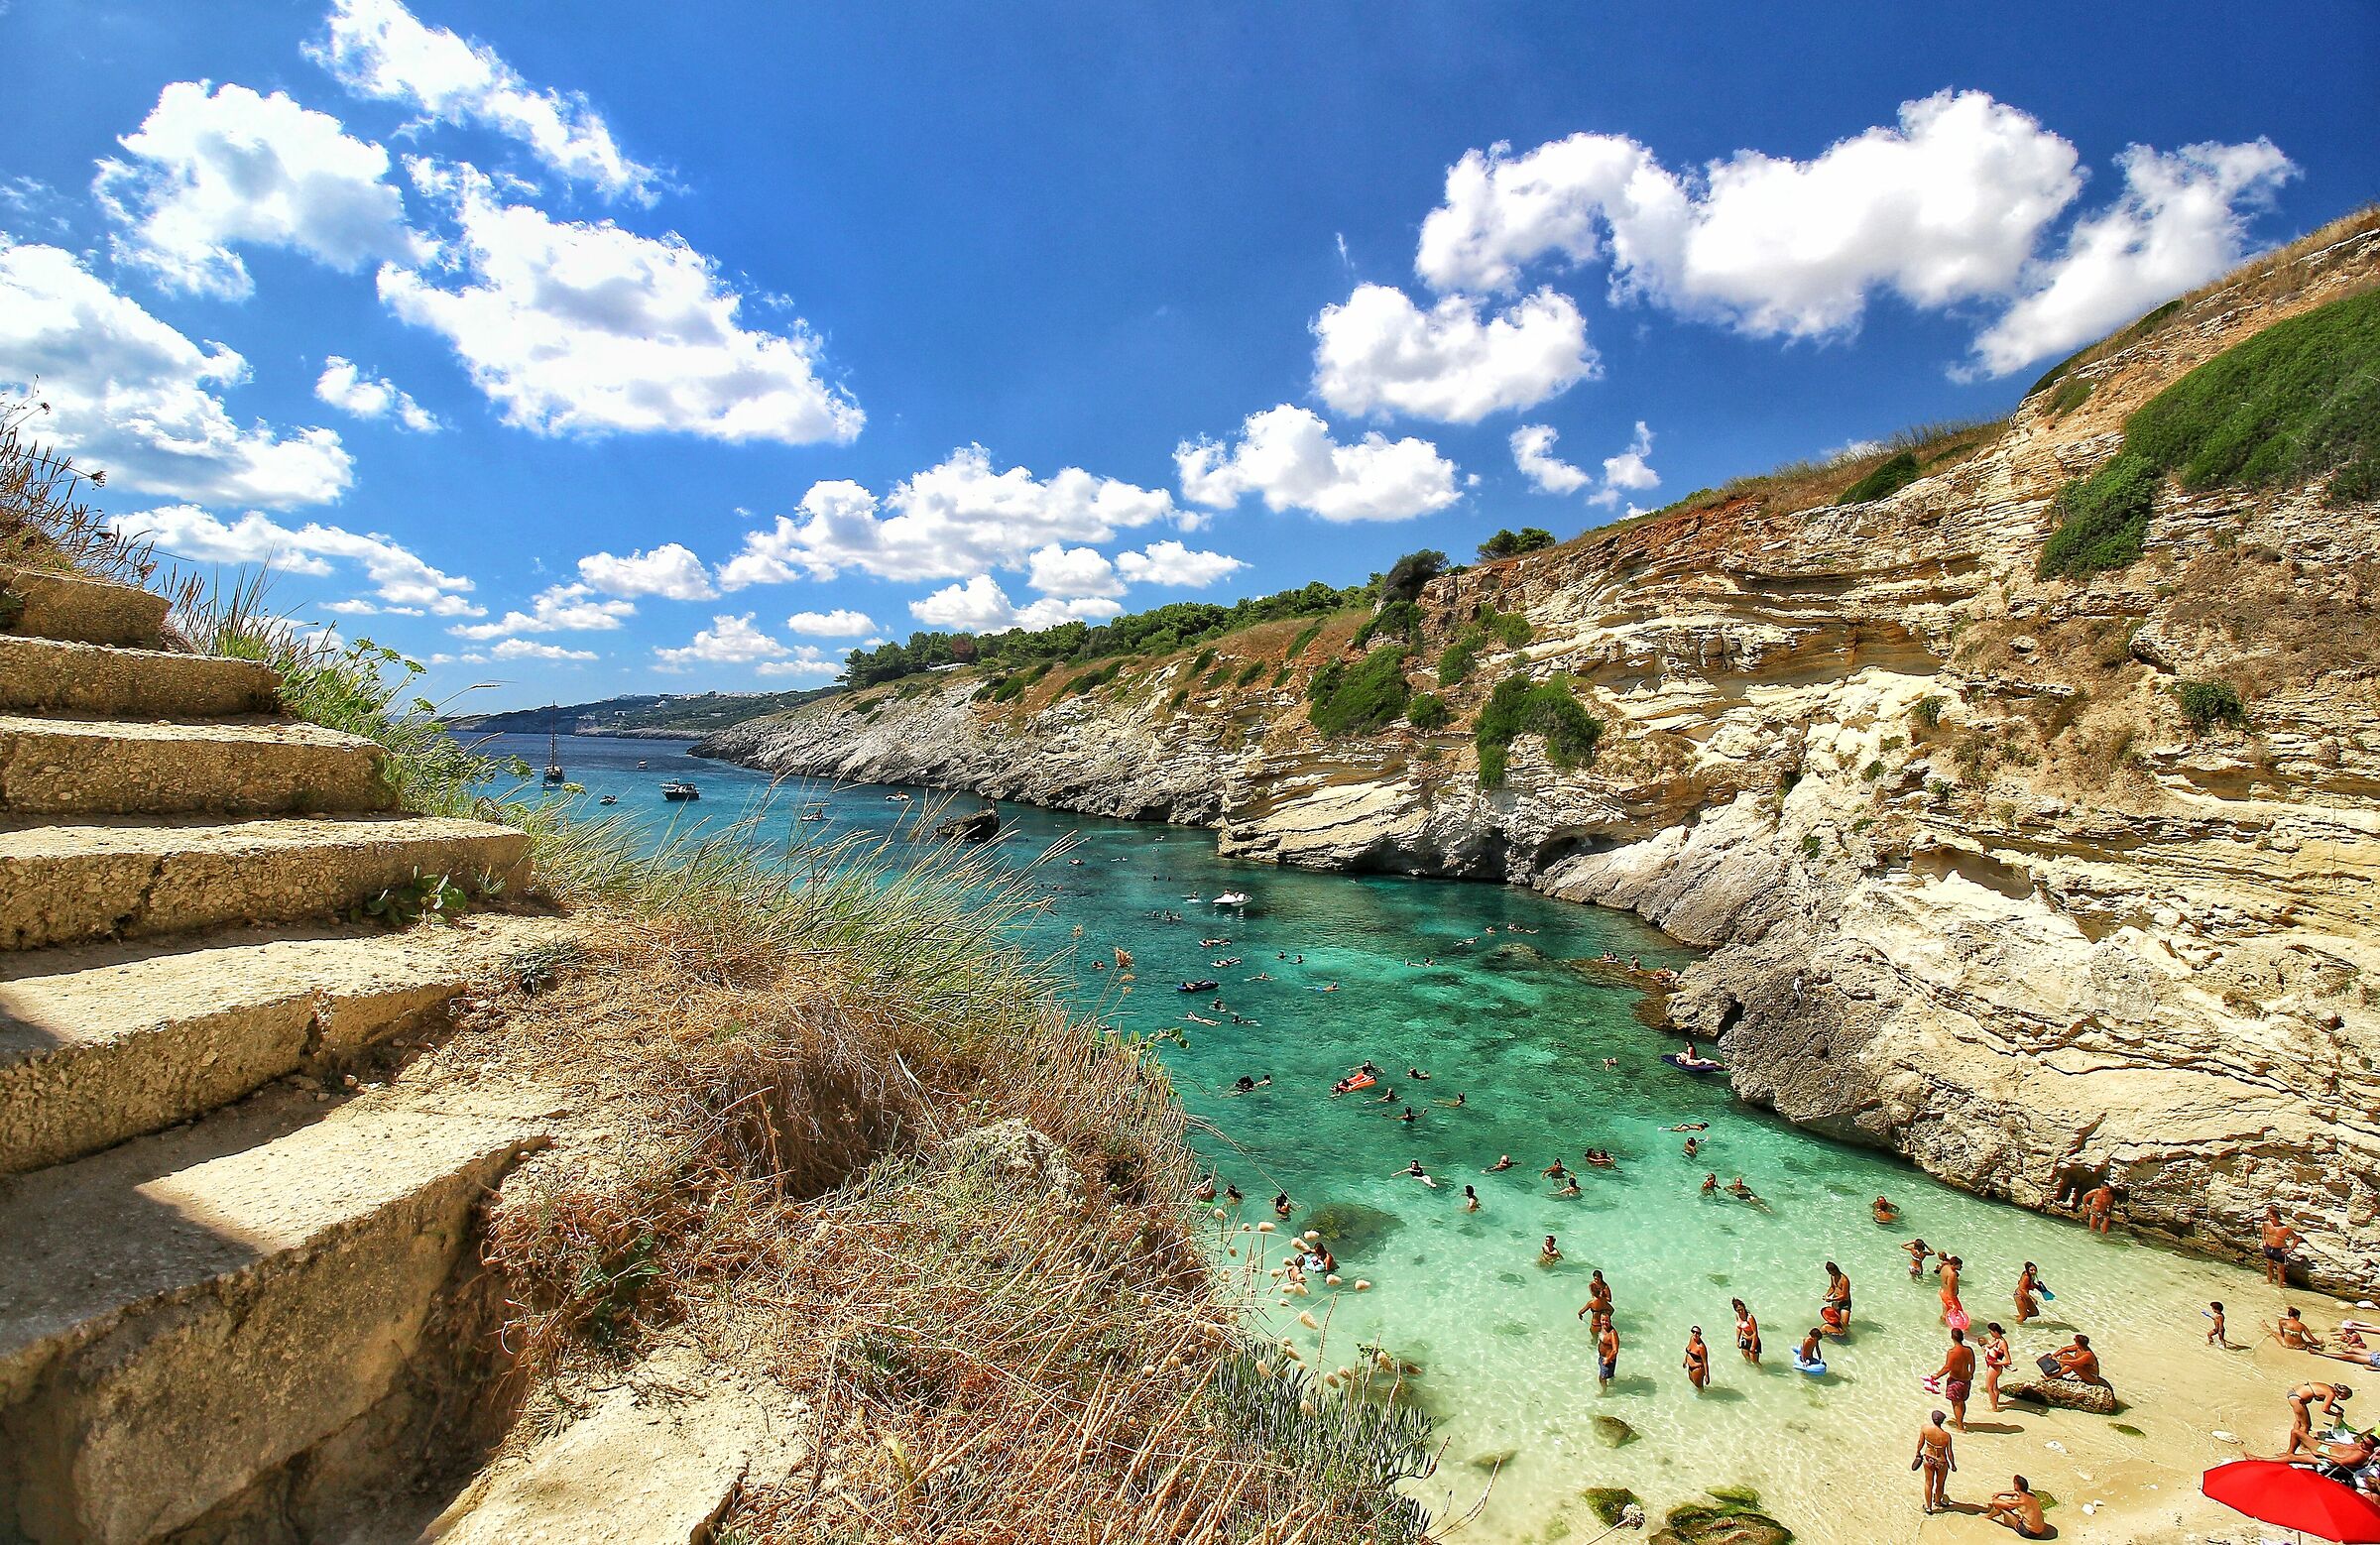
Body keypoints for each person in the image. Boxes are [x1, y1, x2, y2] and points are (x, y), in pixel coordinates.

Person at [2287, 1380, 2353, 1456]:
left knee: (2299, 1421)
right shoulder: (2331, 1394)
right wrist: (2336, 1414)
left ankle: (2296, 1439)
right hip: (2297, 1398)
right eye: (2346, 1398)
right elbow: (2325, 1409)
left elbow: (2322, 1399)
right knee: (2306, 1425)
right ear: (2343, 1394)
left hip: (2294, 1394)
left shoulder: (2328, 1388)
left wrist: (2337, 1407)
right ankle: (2302, 1445)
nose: (2345, 1400)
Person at [1913, 1409, 1958, 1516]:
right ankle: (1938, 1501)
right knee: (1940, 1483)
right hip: (1941, 1462)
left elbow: (1920, 1442)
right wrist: (1953, 1464)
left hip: (1928, 1458)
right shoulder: (1946, 1436)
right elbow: (1949, 1453)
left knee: (1928, 1483)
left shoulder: (1925, 1429)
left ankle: (1928, 1507)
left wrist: (1918, 1452)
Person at [1936, 1327, 1976, 1430]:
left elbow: (1947, 1367)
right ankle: (1960, 1420)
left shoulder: (1952, 1352)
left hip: (1955, 1381)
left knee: (1956, 1404)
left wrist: (1936, 1376)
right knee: (1962, 1402)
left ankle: (1960, 1426)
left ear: (1952, 1337)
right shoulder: (1969, 1350)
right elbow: (1973, 1365)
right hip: (1966, 1380)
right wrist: (1971, 1374)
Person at [1984, 1476, 2050, 1539]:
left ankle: (1987, 1518)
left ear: (2017, 1486)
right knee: (2011, 1503)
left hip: (2028, 1532)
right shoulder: (2032, 1496)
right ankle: (1993, 1516)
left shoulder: (2020, 1501)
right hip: (2040, 1532)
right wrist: (2000, 1493)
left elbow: (1995, 1502)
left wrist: (1997, 1499)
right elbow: (2016, 1493)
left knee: (1999, 1506)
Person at [2263, 1205, 2304, 1286]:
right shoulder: (2266, 1224)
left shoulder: (2285, 1228)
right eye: (2269, 1217)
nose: (2270, 1219)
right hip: (2269, 1248)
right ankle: (2269, 1282)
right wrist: (2264, 1241)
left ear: (2277, 1217)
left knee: (2280, 1269)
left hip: (2280, 1250)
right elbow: (2263, 1231)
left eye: (2271, 1217)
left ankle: (2280, 1286)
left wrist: (2290, 1249)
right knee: (2269, 1266)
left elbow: (2297, 1239)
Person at [1980, 1321, 2012, 1412]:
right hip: (1993, 1366)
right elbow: (1990, 1347)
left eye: (1991, 1332)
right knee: (1994, 1387)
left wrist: (1994, 1363)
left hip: (1995, 1367)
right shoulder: (1996, 1340)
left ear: (1995, 1331)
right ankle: (1996, 1403)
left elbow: (2008, 1361)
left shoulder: (2002, 1343)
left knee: (1989, 1387)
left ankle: (1994, 1408)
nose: (1990, 1334)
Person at [1732, 1299, 1762, 1364]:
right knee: (1747, 1359)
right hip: (1744, 1339)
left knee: (1754, 1361)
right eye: (1738, 1310)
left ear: (1744, 1307)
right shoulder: (1737, 1316)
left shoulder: (1750, 1318)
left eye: (1741, 1309)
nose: (1740, 1312)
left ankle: (1761, 1372)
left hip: (1753, 1340)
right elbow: (1738, 1328)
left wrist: (1753, 1346)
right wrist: (1737, 1340)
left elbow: (1755, 1333)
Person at [1940, 1255, 1965, 1326]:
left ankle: (1941, 1325)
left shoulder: (1945, 1267)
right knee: (1959, 1313)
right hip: (1949, 1296)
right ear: (1954, 1265)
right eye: (1959, 1265)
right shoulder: (1952, 1274)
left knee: (1945, 1312)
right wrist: (1954, 1304)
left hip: (1942, 1292)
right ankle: (1961, 1330)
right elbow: (1950, 1290)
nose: (1961, 1267)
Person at [1684, 1326, 1711, 1390]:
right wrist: (1685, 1360)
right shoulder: (1692, 1339)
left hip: (1697, 1369)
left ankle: (1702, 1399)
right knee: (1692, 1383)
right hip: (1690, 1367)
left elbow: (1705, 1362)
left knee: (1699, 1388)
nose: (1695, 1334)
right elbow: (1689, 1350)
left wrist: (1707, 1376)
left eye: (1697, 1333)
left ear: (1700, 1335)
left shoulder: (1701, 1347)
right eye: (1693, 1332)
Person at [1598, 1319, 1621, 1391]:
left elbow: (1615, 1350)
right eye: (1602, 1320)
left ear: (1610, 1321)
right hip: (1602, 1357)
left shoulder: (1612, 1333)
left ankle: (1604, 1392)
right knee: (1609, 1375)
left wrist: (1608, 1360)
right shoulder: (1602, 1328)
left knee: (1602, 1378)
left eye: (1606, 1320)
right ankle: (1612, 1383)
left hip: (1608, 1359)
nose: (1604, 1322)